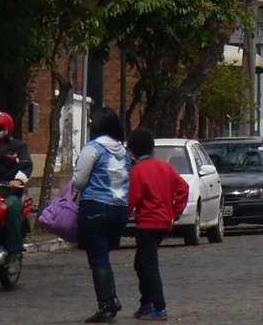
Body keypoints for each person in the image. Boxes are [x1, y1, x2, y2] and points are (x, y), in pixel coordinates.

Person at [72, 107, 131, 323]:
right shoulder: (124, 153)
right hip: (119, 210)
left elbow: (78, 181)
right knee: (103, 258)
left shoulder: (92, 149)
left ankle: (106, 306)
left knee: (98, 260)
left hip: (95, 208)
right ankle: (112, 299)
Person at [125, 128, 187, 322]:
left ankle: (158, 306)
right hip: (163, 223)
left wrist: (120, 217)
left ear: (133, 151)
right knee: (142, 262)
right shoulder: (165, 167)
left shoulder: (137, 171)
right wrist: (175, 213)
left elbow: (131, 199)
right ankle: (146, 302)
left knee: (148, 265)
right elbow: (183, 188)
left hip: (147, 224)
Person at [0, 111, 32, 258]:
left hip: (10, 191)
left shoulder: (18, 146)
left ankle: (14, 251)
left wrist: (19, 180)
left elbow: (26, 165)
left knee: (12, 208)